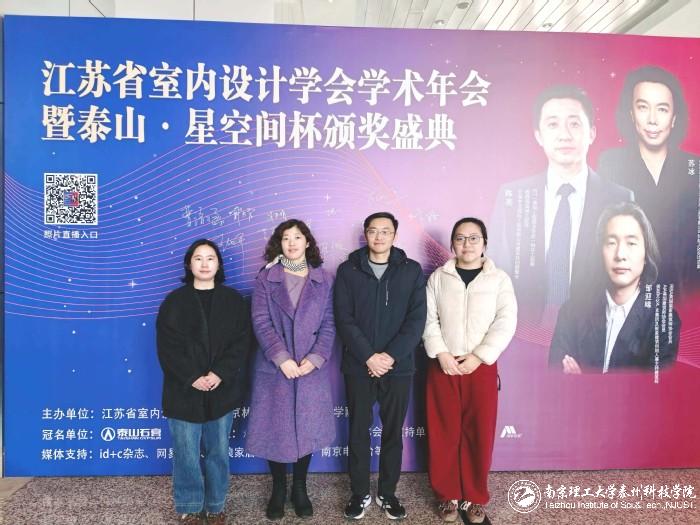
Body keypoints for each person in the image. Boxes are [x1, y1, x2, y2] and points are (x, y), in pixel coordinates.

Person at [490, 84, 633, 325]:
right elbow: (495, 270)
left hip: (594, 331)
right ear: (539, 135)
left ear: (592, 133)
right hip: (523, 330)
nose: (564, 135)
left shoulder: (619, 198)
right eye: (553, 124)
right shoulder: (512, 196)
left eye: (574, 124)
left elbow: (628, 275)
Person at [422, 218, 517, 524]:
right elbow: (428, 319)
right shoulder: (439, 277)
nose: (467, 244)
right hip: (444, 365)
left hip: (480, 366)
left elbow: (506, 321)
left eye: (474, 238)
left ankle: (474, 497)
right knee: (443, 432)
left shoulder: (499, 279)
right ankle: (447, 495)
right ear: (452, 244)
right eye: (460, 238)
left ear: (484, 243)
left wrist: (479, 356)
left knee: (479, 431)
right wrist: (441, 353)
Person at [334, 211, 427, 521]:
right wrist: (369, 357)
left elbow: (416, 320)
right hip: (359, 366)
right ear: (365, 234)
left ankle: (388, 493)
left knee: (392, 433)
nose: (379, 236)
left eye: (385, 231)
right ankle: (359, 493)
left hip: (398, 367)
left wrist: (390, 357)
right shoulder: (348, 270)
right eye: (373, 231)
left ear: (394, 235)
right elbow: (343, 318)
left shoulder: (411, 270)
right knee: (358, 431)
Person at [245, 219, 336, 520]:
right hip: (276, 368)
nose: (292, 243)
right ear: (279, 244)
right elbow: (261, 321)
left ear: (308, 242)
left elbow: (330, 323)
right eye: (286, 238)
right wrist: (281, 357)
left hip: (310, 369)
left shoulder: (324, 279)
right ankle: (278, 489)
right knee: (277, 429)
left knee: (306, 429)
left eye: (298, 237)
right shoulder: (266, 278)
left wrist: (316, 357)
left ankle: (300, 488)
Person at [157, 239, 251, 525]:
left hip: (222, 389)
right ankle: (189, 506)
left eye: (210, 258)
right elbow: (167, 347)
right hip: (183, 390)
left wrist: (219, 373)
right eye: (198, 258)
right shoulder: (174, 301)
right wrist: (192, 377)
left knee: (218, 452)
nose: (204, 263)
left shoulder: (233, 301)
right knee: (185, 453)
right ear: (189, 264)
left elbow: (242, 343)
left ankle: (215, 506)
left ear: (218, 264)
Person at [598, 66, 698, 294]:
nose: (652, 120)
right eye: (643, 107)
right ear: (632, 114)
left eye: (662, 109)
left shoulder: (694, 167)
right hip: (628, 288)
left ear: (674, 118)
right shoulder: (611, 163)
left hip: (687, 289)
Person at [548, 202, 680, 373]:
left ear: (646, 254)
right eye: (611, 243)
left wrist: (584, 383)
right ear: (600, 251)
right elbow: (556, 378)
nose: (620, 255)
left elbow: (654, 387)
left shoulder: (664, 321)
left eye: (631, 243)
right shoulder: (571, 313)